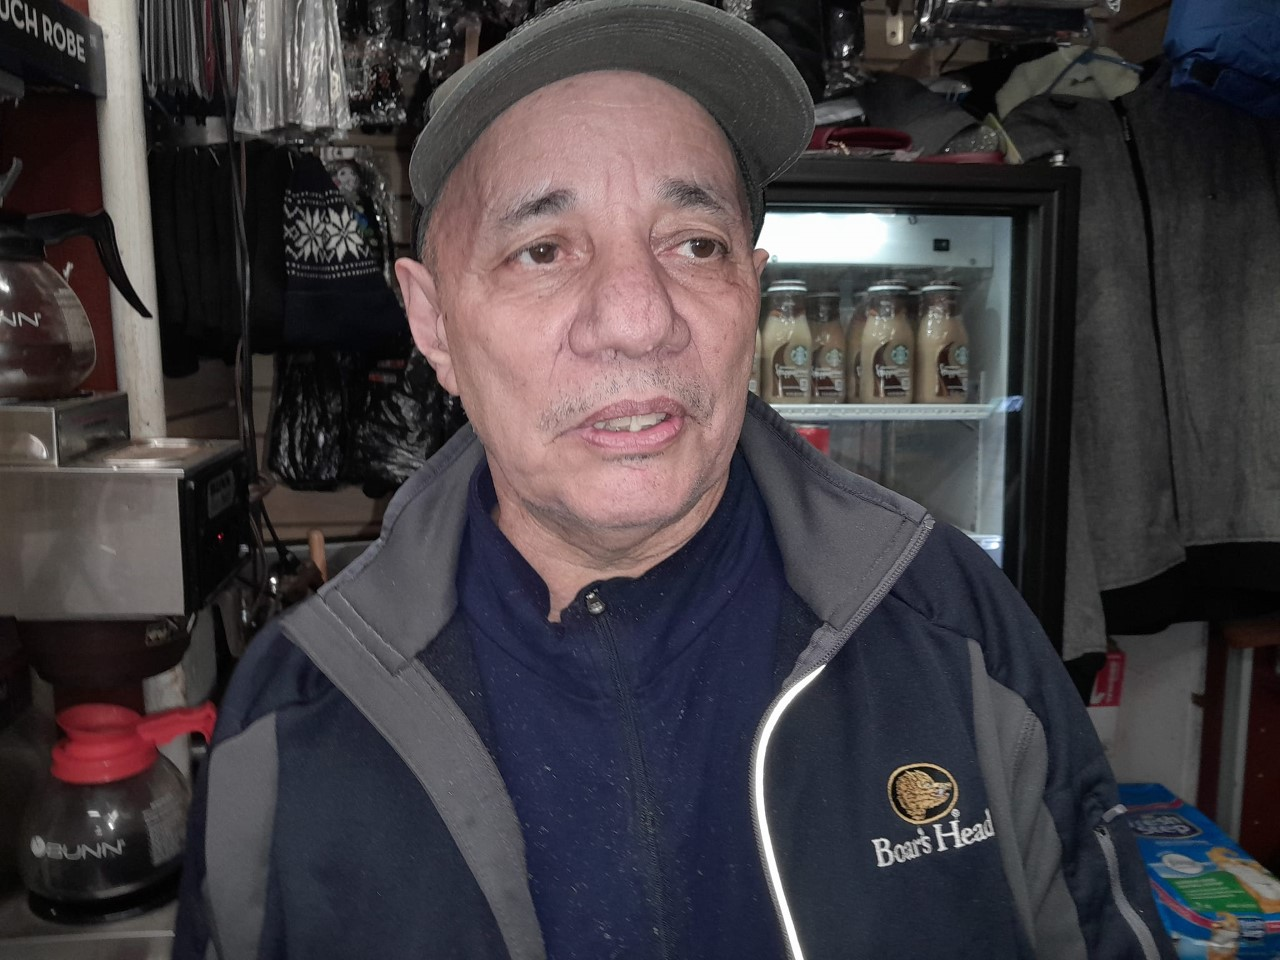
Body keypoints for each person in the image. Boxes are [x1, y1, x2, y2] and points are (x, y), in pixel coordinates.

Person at [174, 1, 1173, 958]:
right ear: (433, 325)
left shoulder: (953, 630)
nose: (637, 318)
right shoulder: (296, 721)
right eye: (541, 251)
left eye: (695, 245)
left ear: (752, 289)